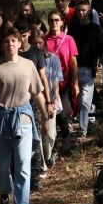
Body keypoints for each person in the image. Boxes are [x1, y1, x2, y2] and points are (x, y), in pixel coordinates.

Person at [0, 28, 48, 204]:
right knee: (2, 164)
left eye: (14, 41)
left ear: (19, 43)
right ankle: (4, 195)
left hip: (23, 117)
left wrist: (45, 118)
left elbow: (37, 93)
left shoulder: (28, 65)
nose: (10, 44)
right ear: (3, 45)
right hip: (1, 119)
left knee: (23, 163)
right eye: (7, 41)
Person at [15, 20, 53, 191]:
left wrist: (49, 101)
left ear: (29, 34)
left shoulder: (36, 53)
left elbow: (43, 78)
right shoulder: (13, 53)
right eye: (19, 36)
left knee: (36, 136)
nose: (22, 39)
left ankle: (35, 175)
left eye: (24, 36)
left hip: (34, 101)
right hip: (16, 101)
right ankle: (19, 173)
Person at [67, 0, 103, 139]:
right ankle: (91, 110)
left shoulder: (96, 29)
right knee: (79, 99)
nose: (81, 13)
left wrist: (101, 62)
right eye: (78, 10)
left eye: (84, 10)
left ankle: (82, 130)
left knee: (84, 101)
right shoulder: (72, 29)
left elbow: (101, 49)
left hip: (89, 68)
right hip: (74, 68)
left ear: (89, 11)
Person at [45, 10, 79, 155]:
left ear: (62, 22)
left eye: (57, 20)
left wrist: (75, 82)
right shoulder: (45, 40)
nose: (54, 23)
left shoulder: (68, 39)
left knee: (64, 111)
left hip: (65, 82)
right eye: (51, 20)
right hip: (50, 83)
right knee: (54, 112)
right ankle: (54, 143)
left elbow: (73, 62)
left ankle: (66, 140)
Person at [31, 29, 63, 175]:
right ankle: (41, 165)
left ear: (44, 43)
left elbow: (55, 81)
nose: (37, 45)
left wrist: (55, 97)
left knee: (49, 134)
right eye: (34, 43)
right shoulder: (29, 60)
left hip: (50, 99)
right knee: (37, 133)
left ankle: (49, 155)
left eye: (40, 43)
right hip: (35, 101)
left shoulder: (53, 59)